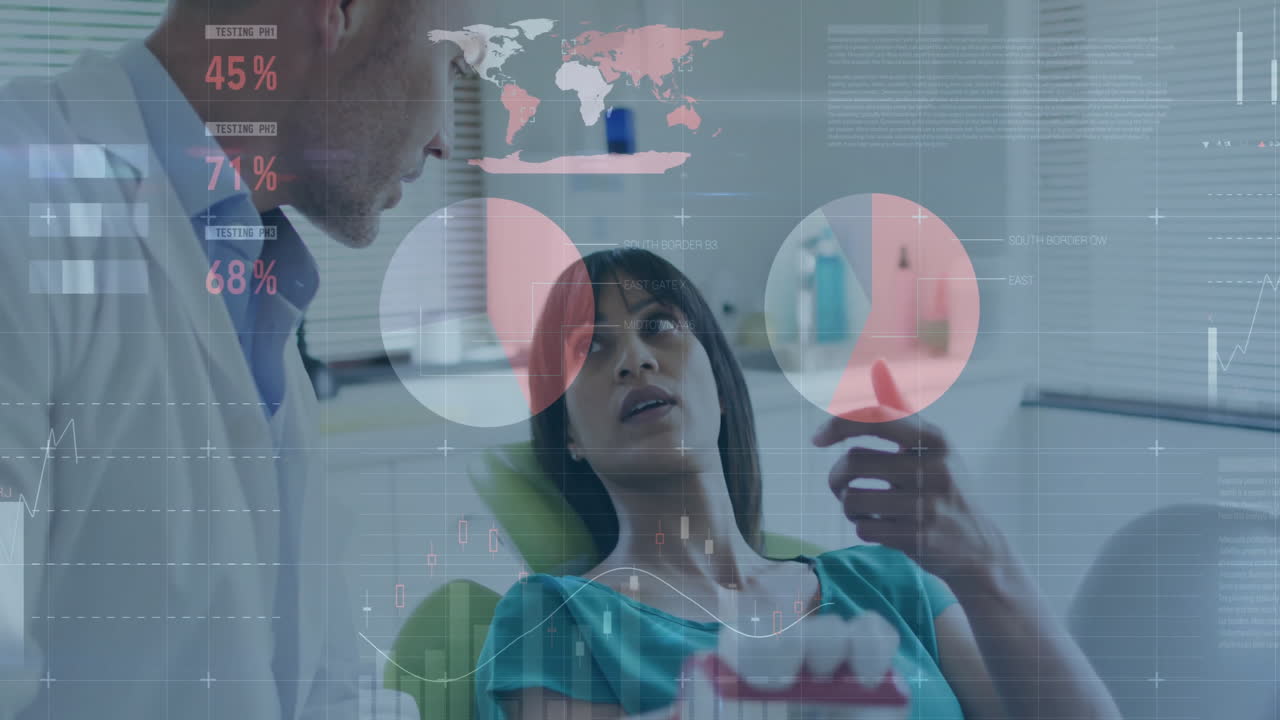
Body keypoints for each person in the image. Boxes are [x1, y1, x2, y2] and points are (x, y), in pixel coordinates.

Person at [0, 0, 474, 717]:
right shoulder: (22, 205)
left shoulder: (255, 285)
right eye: (450, 62)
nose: (445, 142)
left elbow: (320, 685)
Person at [474, 248, 1120, 720]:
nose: (635, 360)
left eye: (658, 326)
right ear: (569, 437)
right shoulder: (555, 618)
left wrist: (987, 568)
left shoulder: (889, 585)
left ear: (722, 386)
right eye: (590, 348)